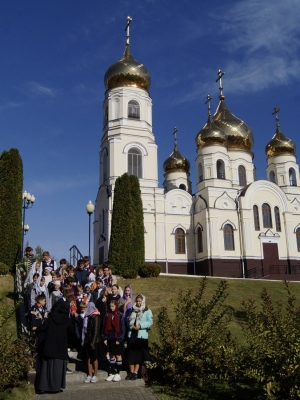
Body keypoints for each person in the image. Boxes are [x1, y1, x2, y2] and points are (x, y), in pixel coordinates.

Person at [33, 300, 72, 394]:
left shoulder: (50, 319)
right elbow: (71, 333)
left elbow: (42, 328)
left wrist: (36, 329)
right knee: (58, 368)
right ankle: (56, 387)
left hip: (49, 346)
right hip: (61, 347)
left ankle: (44, 386)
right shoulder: (68, 321)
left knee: (47, 368)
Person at [126, 294, 153, 380]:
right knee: (130, 355)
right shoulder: (132, 310)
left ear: (142, 301)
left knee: (138, 355)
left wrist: (140, 325)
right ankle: (131, 372)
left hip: (140, 334)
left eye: (139, 301)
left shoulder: (147, 310)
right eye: (137, 301)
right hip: (132, 334)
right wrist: (131, 326)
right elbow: (128, 320)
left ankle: (135, 372)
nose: (138, 303)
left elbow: (150, 322)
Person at [102, 299, 125, 382]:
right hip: (109, 338)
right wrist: (104, 337)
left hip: (117, 338)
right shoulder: (107, 315)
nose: (111, 308)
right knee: (111, 355)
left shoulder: (120, 315)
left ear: (116, 306)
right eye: (110, 306)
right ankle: (112, 372)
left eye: (113, 306)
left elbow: (122, 328)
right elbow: (104, 327)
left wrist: (119, 339)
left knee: (118, 355)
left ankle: (118, 373)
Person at [82, 302, 101, 383]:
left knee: (94, 358)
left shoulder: (96, 317)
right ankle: (89, 374)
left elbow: (96, 330)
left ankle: (95, 375)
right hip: (88, 340)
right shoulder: (88, 316)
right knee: (89, 358)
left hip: (94, 341)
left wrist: (93, 342)